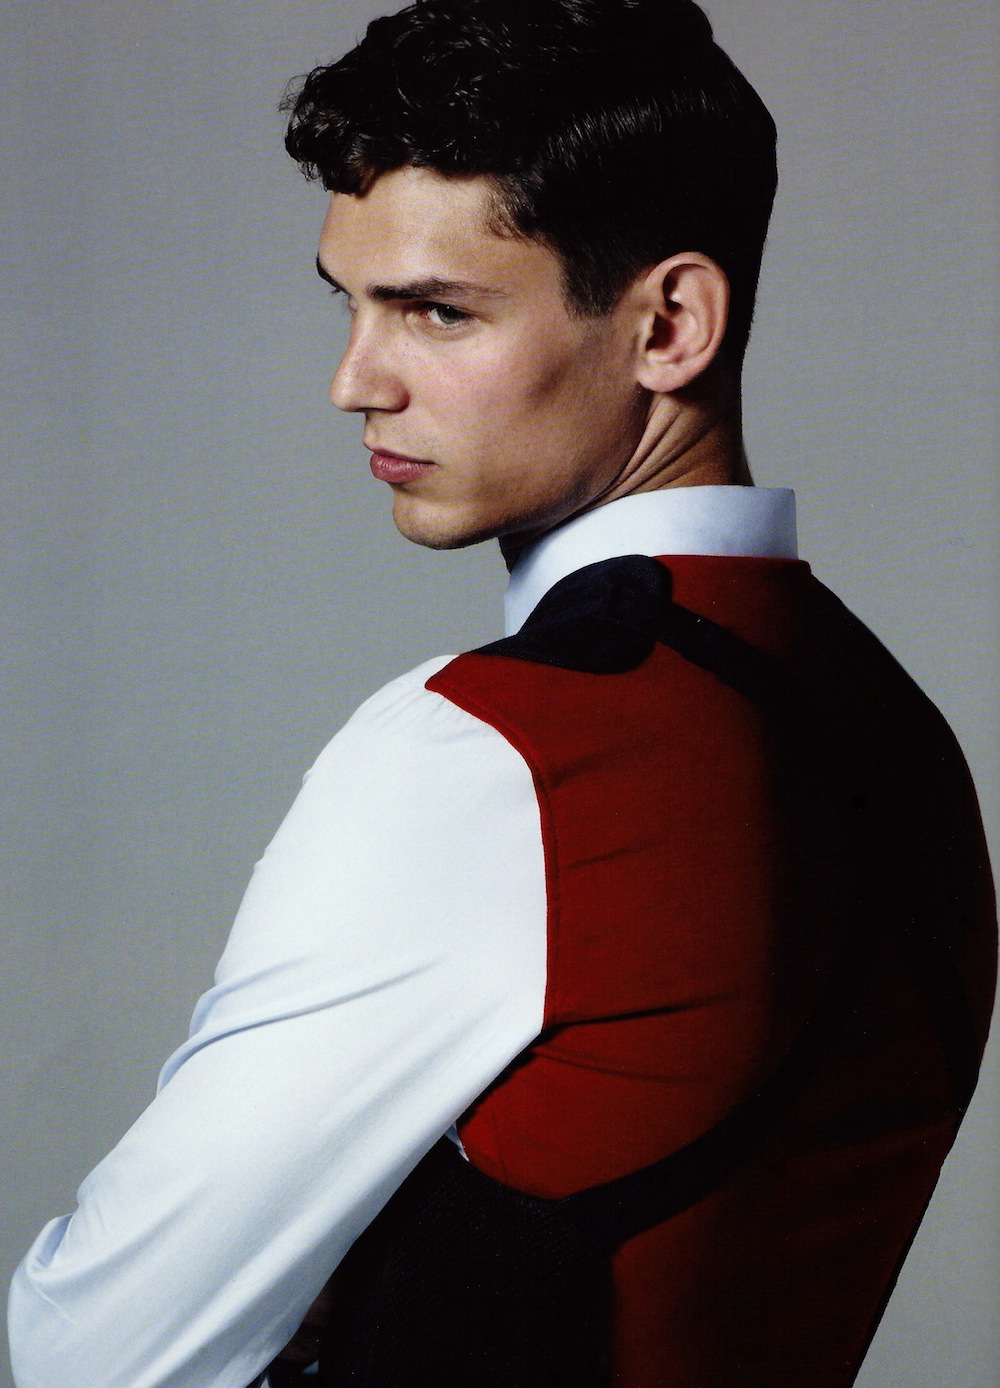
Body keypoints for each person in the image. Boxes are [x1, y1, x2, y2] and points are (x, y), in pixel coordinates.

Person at [8, 1, 996, 1385]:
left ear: (670, 325)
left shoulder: (501, 754)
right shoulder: (899, 729)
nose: (354, 383)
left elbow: (92, 1352)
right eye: (350, 302)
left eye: (437, 311)